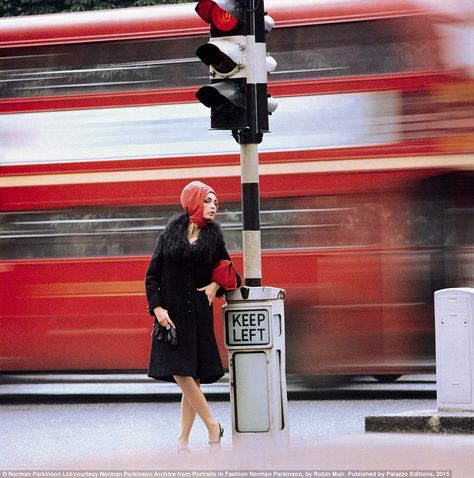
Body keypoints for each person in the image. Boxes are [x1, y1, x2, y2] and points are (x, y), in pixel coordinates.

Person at [145, 180, 240, 452]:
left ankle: (183, 439)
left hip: (198, 317)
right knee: (181, 372)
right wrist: (157, 308)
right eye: (208, 201)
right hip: (171, 317)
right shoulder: (169, 236)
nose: (213, 207)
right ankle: (213, 426)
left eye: (215, 203)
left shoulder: (213, 238)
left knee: (191, 378)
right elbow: (151, 277)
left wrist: (214, 285)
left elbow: (230, 271)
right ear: (194, 202)